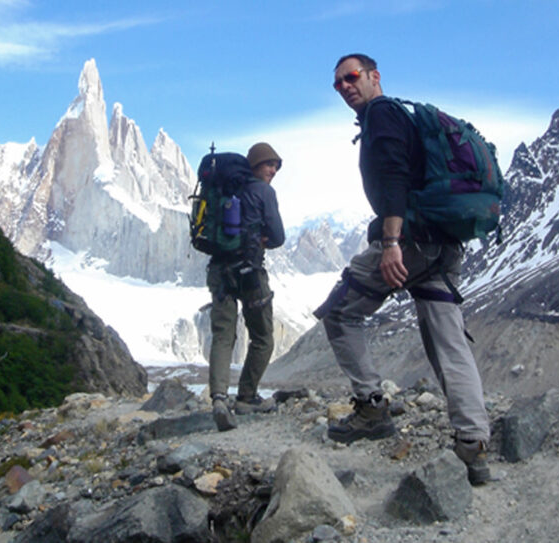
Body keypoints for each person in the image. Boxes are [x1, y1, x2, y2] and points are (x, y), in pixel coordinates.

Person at [316, 53, 492, 485]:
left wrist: (391, 243)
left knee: (340, 312)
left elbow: (393, 178)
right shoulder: (405, 117)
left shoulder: (382, 114)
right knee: (448, 340)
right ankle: (473, 445)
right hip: (442, 245)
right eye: (337, 84)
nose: (344, 87)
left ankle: (372, 408)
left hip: (409, 242)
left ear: (375, 76)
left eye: (351, 77)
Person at [208, 142, 286, 432]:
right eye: (269, 164)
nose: (273, 170)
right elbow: (278, 236)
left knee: (223, 336)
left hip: (219, 272)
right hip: (251, 274)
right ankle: (246, 396)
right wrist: (263, 237)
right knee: (263, 336)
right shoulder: (264, 192)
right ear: (254, 166)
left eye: (276, 165)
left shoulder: (223, 191)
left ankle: (218, 398)